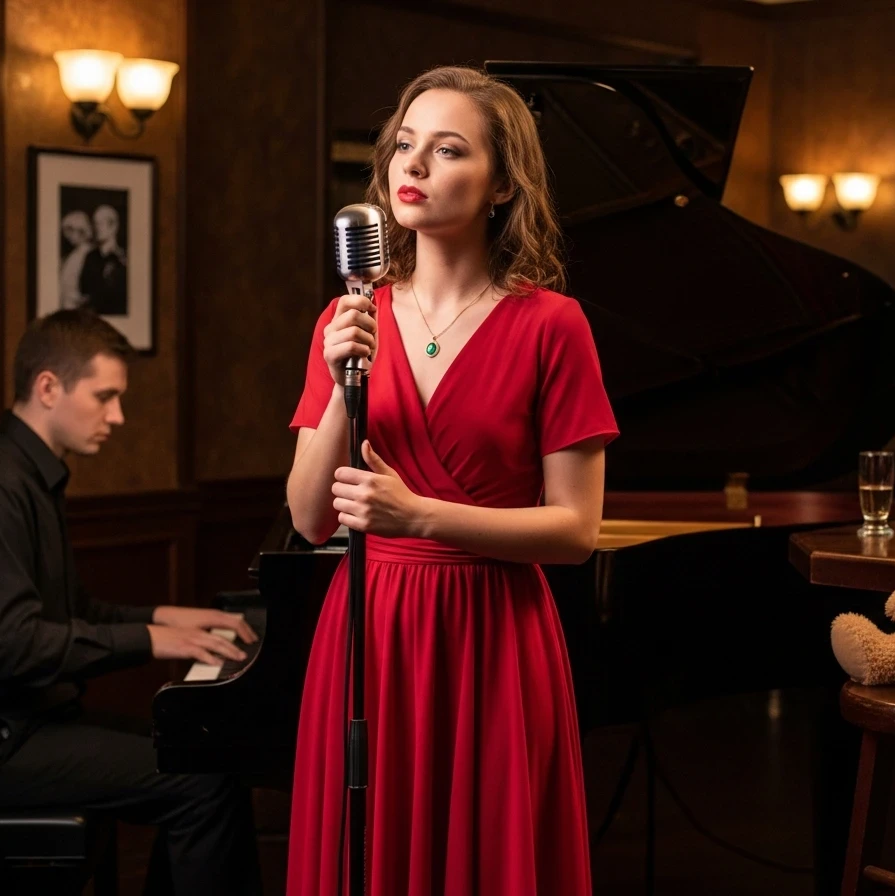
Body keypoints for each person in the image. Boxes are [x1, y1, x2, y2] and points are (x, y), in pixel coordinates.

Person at [285, 66, 618, 896]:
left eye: (448, 149)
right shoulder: (346, 316)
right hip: (369, 631)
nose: (414, 165)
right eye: (405, 145)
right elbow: (309, 518)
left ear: (502, 184)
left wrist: (421, 515)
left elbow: (576, 532)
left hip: (494, 636)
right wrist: (339, 381)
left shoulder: (553, 325)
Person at [0, 310, 262, 896]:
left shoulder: (29, 476)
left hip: (26, 725)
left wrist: (166, 618)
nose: (117, 416)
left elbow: (73, 614)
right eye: (104, 397)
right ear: (48, 387)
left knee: (198, 754)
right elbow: (11, 646)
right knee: (201, 782)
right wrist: (150, 641)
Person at [79, 204, 128, 315]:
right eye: (95, 223)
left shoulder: (124, 258)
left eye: (101, 223)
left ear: (114, 226)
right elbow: (84, 289)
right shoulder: (90, 257)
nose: (96, 228)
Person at [59, 210, 94, 309]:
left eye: (71, 231)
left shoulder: (89, 254)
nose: (68, 236)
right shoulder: (72, 255)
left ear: (81, 231)